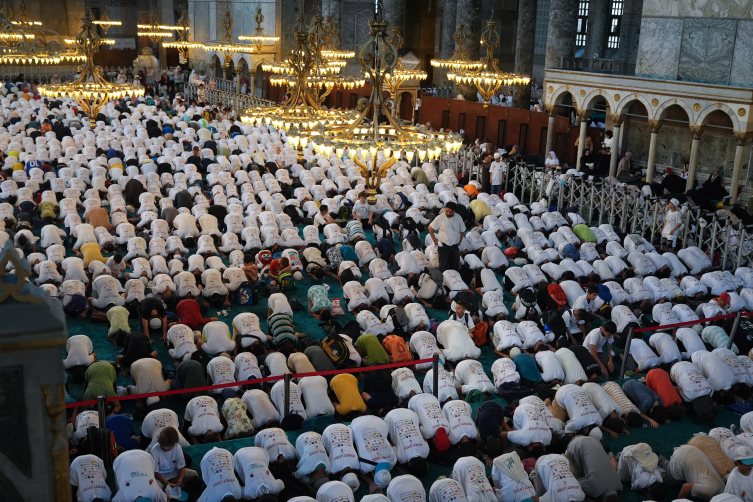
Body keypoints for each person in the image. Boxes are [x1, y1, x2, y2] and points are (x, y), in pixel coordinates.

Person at [429, 202, 466, 271]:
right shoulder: (440, 217)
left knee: (455, 265)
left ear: (454, 211)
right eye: (447, 211)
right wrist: (434, 240)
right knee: (443, 266)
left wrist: (460, 240)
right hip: (443, 246)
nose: (448, 213)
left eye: (451, 212)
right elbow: (430, 228)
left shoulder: (458, 217)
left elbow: (462, 230)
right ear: (445, 209)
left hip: (454, 246)